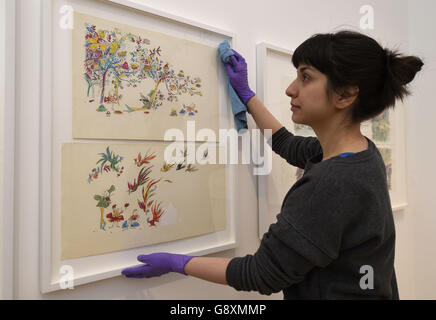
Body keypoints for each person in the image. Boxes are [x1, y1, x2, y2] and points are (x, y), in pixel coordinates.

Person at [121, 30, 423, 300]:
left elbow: (261, 273)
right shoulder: (361, 154)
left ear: (345, 94)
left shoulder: (331, 183)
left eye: (306, 77)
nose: (291, 89)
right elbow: (287, 144)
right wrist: (247, 95)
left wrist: (178, 263)